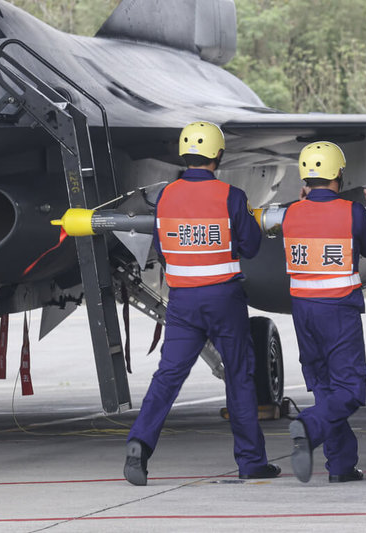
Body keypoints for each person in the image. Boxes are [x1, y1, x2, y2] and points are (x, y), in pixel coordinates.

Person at [124, 121, 280, 485]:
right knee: (240, 374)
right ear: (218, 155)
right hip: (223, 298)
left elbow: (162, 249)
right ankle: (251, 460)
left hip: (182, 299)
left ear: (184, 154)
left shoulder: (166, 197)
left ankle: (139, 445)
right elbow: (252, 246)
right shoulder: (231, 196)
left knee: (168, 376)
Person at [285, 142, 366, 483]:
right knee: (351, 389)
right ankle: (310, 426)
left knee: (326, 388)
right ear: (338, 175)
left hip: (302, 312)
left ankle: (341, 466)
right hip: (338, 310)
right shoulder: (350, 211)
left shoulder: (290, 213)